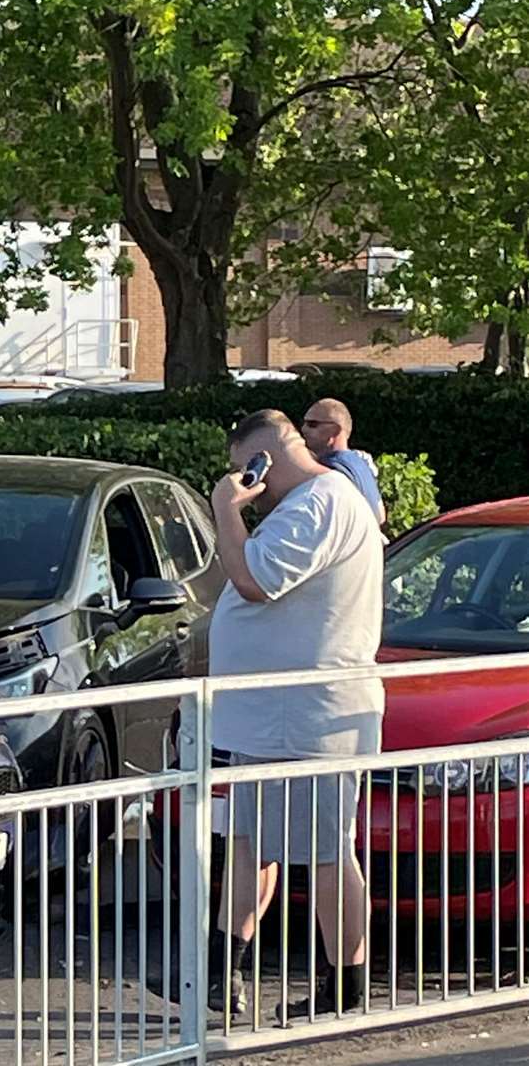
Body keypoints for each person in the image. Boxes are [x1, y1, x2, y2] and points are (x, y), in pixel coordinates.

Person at [206, 409, 384, 1020]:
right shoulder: (309, 504)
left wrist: (225, 509)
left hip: (303, 718)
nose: (246, 485)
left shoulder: (318, 503)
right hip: (275, 717)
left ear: (266, 462)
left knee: (327, 852)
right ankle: (221, 971)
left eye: (247, 471)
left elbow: (256, 580)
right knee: (254, 846)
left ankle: (346, 987)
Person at [300, 398, 386, 527]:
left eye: (312, 424)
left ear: (335, 431)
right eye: (304, 423)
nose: (303, 429)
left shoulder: (329, 470)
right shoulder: (361, 463)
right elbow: (380, 516)